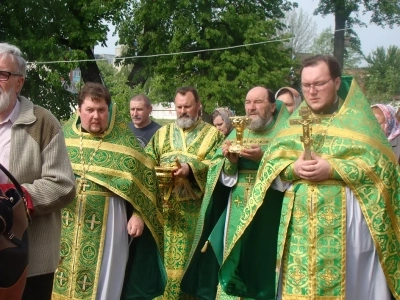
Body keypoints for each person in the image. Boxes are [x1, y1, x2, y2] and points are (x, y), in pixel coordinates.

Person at [220, 55, 399, 299]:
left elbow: (383, 169)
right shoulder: (294, 123)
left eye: (319, 84)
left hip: (349, 234)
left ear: (336, 82)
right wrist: (293, 169)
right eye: (306, 86)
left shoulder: (359, 123)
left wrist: (333, 169)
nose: (311, 92)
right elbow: (273, 161)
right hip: (298, 232)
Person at [53, 82, 166, 300]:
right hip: (65, 220)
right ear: (79, 111)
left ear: (109, 110)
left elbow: (147, 183)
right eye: (90, 110)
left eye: (101, 110)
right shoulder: (63, 138)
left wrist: (139, 215)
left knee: (104, 282)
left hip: (109, 222)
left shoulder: (125, 144)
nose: (96, 116)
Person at [181, 86, 290, 299]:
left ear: (272, 106)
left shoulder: (284, 133)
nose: (251, 108)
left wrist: (263, 159)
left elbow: (291, 171)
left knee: (262, 263)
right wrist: (230, 163)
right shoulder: (239, 131)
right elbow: (218, 170)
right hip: (237, 210)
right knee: (234, 258)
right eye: (248, 103)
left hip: (269, 210)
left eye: (258, 102)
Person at [0, 42, 76, 300]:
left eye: (2, 74)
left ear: (19, 82)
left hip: (29, 258)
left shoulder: (42, 121)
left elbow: (63, 184)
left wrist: (15, 198)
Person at [145, 86, 225, 299]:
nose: (183, 111)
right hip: (165, 213)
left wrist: (191, 170)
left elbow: (219, 166)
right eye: (178, 107)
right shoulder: (161, 134)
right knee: (161, 264)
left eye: (187, 106)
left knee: (188, 269)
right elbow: (146, 162)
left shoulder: (213, 135)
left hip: (195, 217)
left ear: (198, 106)